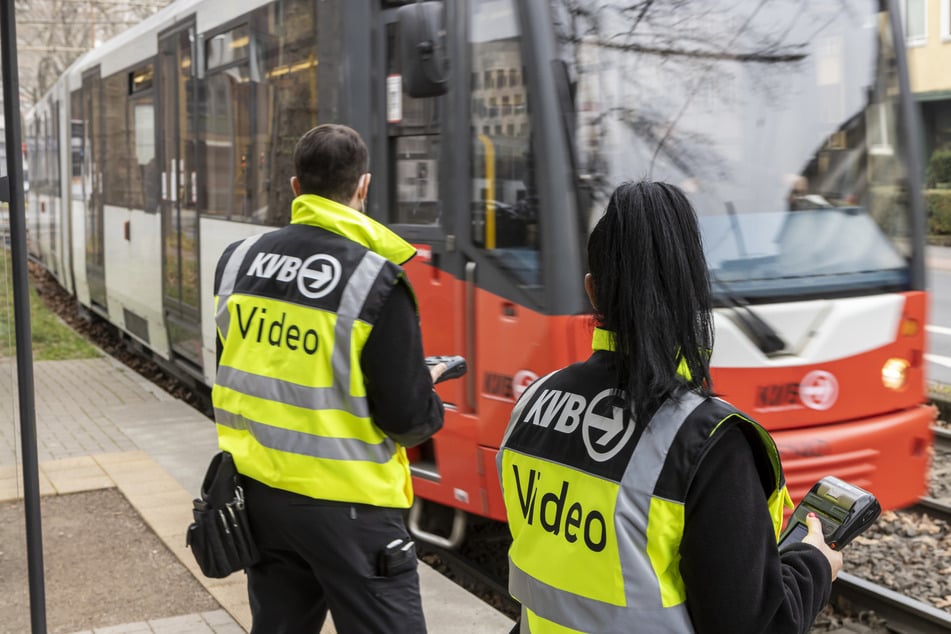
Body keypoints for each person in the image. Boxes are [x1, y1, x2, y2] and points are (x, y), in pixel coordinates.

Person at [497, 181, 842, 633]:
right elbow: (758, 624)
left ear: (593, 293)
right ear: (696, 292)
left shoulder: (533, 406)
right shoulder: (709, 443)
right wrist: (816, 563)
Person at [211, 123, 445, 633]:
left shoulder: (237, 264)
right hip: (352, 510)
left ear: (296, 187)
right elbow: (407, 421)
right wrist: (427, 393)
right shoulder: (375, 280)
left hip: (263, 500)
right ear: (363, 186)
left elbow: (242, 371)